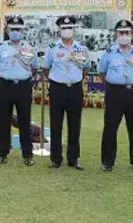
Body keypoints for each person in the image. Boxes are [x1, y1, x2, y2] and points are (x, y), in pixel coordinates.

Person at [98, 20, 133, 173]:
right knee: (110, 128)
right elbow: (102, 73)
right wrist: (115, 84)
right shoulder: (109, 53)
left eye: (127, 32)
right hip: (115, 92)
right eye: (121, 32)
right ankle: (108, 162)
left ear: (132, 34)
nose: (124, 35)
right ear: (116, 34)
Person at [42, 15, 89, 170]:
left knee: (75, 124)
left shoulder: (82, 48)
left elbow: (85, 68)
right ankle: (56, 159)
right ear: (59, 30)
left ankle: (73, 159)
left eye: (70, 28)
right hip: (57, 89)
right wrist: (59, 80)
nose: (67, 30)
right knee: (56, 124)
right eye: (64, 28)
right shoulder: (52, 49)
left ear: (74, 29)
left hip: (75, 88)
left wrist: (73, 79)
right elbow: (46, 69)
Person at [0, 16, 38, 166]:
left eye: (18, 29)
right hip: (6, 86)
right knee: (4, 120)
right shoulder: (1, 47)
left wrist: (21, 76)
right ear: (7, 30)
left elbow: (35, 68)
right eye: (12, 29)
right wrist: (7, 76)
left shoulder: (30, 47)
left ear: (22, 30)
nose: (15, 32)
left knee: (25, 121)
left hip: (23, 86)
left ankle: (27, 154)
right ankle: (2, 153)